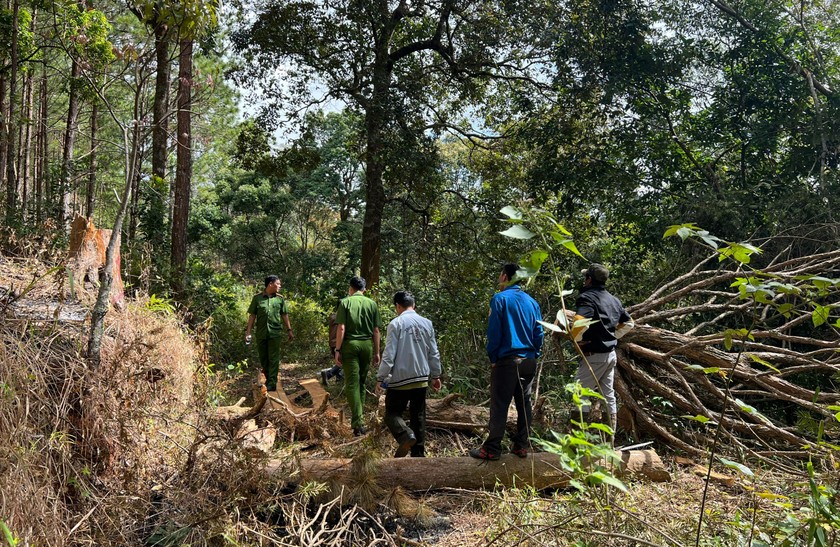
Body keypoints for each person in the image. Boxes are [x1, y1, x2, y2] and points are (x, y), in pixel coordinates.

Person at [470, 264, 544, 461]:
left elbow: (494, 333)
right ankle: (521, 446)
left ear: (504, 276)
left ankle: (492, 448)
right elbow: (539, 333)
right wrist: (534, 353)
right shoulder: (532, 303)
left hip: (507, 360)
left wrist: (493, 357)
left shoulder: (500, 299)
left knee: (500, 405)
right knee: (524, 403)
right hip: (528, 360)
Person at [569, 263, 634, 434]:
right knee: (608, 397)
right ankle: (608, 441)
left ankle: (576, 444)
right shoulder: (613, 300)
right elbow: (628, 323)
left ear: (589, 279)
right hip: (610, 355)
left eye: (585, 277)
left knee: (579, 395)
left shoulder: (587, 298)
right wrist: (612, 336)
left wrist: (576, 339)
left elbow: (578, 322)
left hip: (594, 355)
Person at [375, 291, 442, 458]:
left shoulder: (396, 324)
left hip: (400, 379)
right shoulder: (427, 323)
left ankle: (405, 435)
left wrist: (381, 377)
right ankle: (418, 455)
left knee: (392, 413)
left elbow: (389, 355)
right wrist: (436, 376)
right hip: (421, 379)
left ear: (398, 306)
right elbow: (433, 353)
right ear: (414, 305)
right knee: (418, 416)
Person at [334, 275, 383, 435]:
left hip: (350, 346)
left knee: (352, 384)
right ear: (364, 290)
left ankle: (357, 422)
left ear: (350, 288)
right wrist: (377, 352)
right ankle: (359, 420)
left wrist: (337, 349)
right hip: (366, 346)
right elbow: (376, 331)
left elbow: (341, 328)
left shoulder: (345, 302)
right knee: (361, 382)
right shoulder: (372, 304)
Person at [245, 275, 294, 392]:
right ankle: (268, 378)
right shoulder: (257, 298)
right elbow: (252, 316)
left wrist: (289, 330)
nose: (280, 286)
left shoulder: (280, 299)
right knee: (263, 358)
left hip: (275, 333)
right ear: (270, 284)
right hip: (261, 333)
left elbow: (284, 315)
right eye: (278, 284)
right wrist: (248, 332)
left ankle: (272, 382)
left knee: (274, 357)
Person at [319, 311, 344, 385]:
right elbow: (342, 330)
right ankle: (328, 374)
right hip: (339, 344)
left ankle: (339, 381)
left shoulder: (333, 316)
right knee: (343, 363)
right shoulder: (342, 317)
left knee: (340, 362)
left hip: (332, 343)